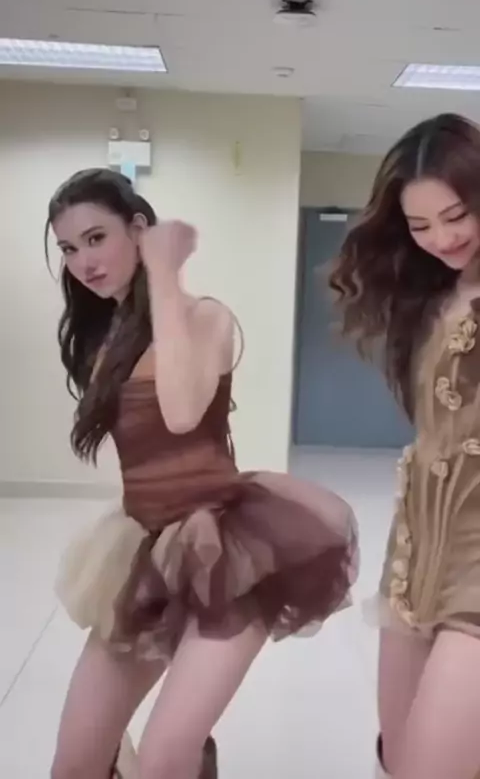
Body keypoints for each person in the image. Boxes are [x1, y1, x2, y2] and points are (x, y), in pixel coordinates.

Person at [47, 168, 358, 779]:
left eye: (96, 238)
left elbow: (183, 412)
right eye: (69, 248)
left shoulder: (205, 316)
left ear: (139, 229)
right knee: (73, 765)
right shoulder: (105, 337)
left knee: (166, 759)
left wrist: (164, 272)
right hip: (143, 546)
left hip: (226, 548)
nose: (84, 262)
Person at [329, 112, 480, 779]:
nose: (442, 239)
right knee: (399, 757)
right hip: (418, 550)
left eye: (456, 216)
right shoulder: (434, 295)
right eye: (420, 226)